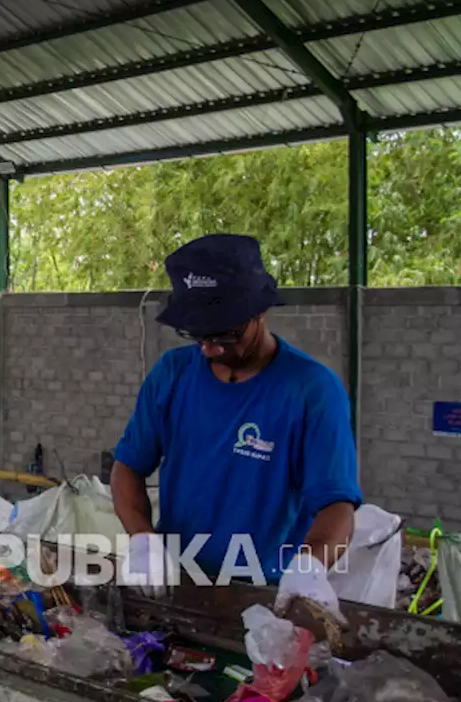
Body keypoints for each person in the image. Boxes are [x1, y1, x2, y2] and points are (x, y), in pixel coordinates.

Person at [111, 234, 360, 619]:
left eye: (225, 335)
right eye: (199, 336)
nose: (209, 349)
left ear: (258, 312)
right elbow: (128, 465)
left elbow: (336, 503)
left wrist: (310, 566)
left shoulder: (311, 390)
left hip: (266, 594)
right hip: (178, 581)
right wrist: (142, 538)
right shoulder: (172, 375)